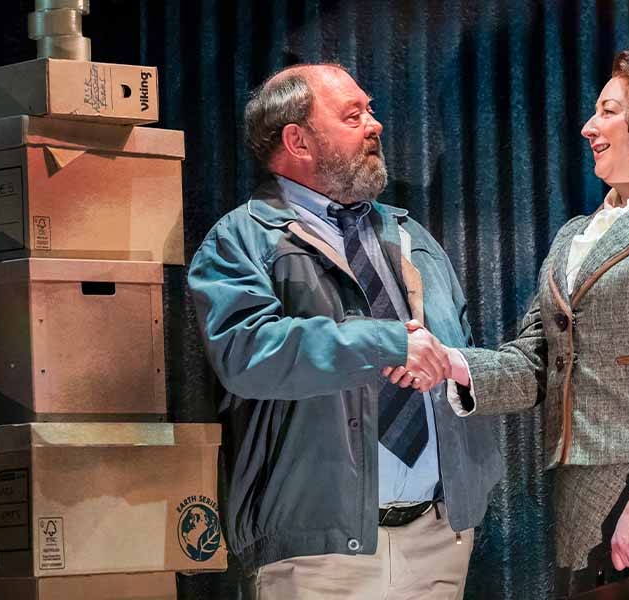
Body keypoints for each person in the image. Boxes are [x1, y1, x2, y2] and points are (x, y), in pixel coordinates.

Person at [402, 47, 629, 598]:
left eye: (608, 111)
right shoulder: (575, 236)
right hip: (581, 492)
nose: (587, 127)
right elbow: (537, 364)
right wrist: (449, 362)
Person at [187, 63, 504, 600]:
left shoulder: (412, 237)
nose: (375, 125)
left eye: (371, 110)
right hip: (320, 552)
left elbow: (459, 352)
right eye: (353, 115)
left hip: (438, 539)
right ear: (298, 140)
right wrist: (383, 342)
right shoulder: (242, 239)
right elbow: (247, 353)